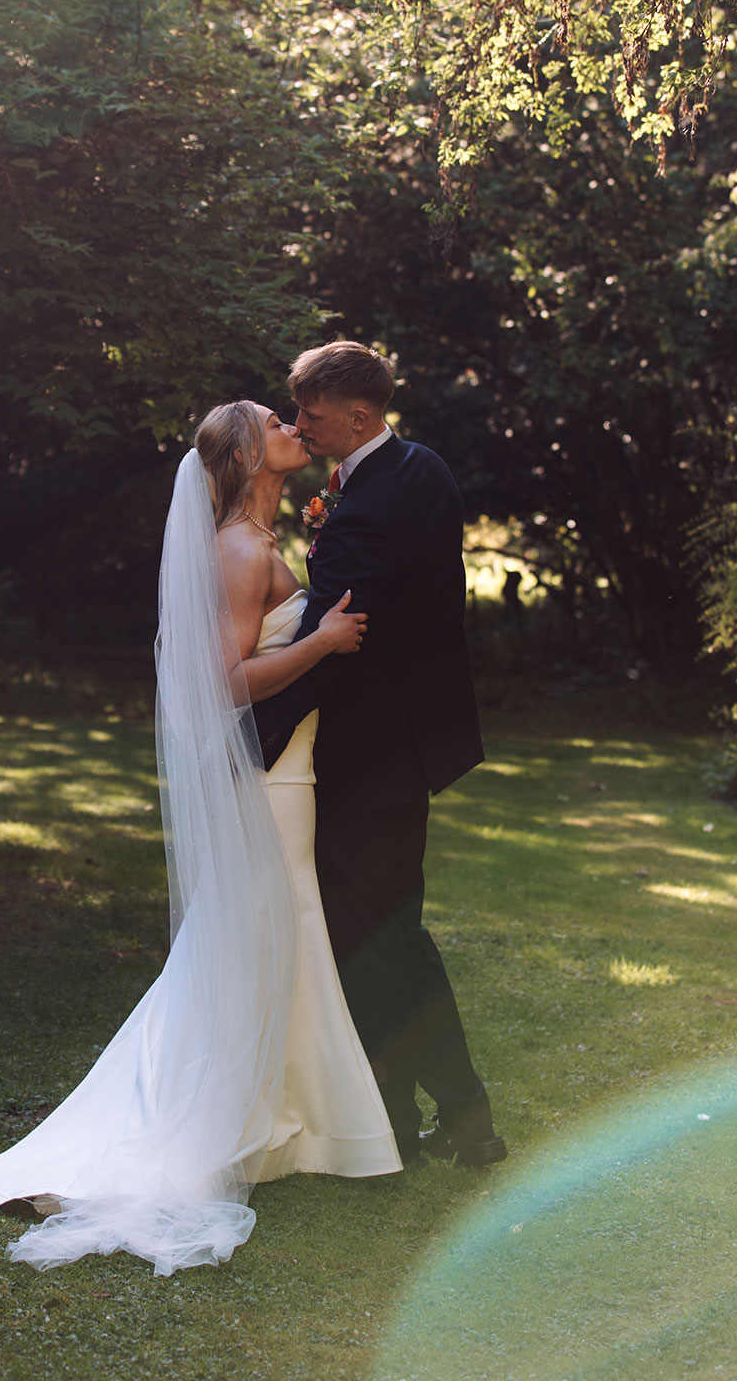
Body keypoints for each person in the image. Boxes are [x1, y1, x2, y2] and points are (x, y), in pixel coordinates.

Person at [0, 401, 399, 1277]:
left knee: (267, 935)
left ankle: (294, 1119)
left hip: (287, 770)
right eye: (273, 421)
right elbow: (228, 680)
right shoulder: (240, 550)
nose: (292, 424)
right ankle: (285, 1125)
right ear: (251, 454)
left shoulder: (253, 536)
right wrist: (325, 641)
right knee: (267, 931)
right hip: (270, 777)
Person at [256, 341, 505, 1169]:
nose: (299, 425)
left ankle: (447, 1117)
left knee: (379, 938)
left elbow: (334, 643)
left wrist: (250, 738)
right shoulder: (420, 468)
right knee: (388, 931)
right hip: (412, 741)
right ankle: (413, 1116)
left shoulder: (366, 505)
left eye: (313, 415)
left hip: (371, 756)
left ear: (358, 416)